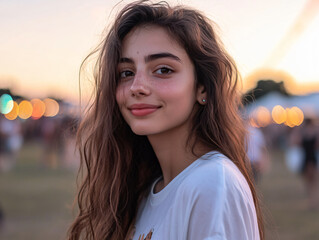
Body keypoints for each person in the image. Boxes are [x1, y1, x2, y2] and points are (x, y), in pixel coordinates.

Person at [67, 1, 264, 239]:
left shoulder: (212, 184)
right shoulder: (145, 193)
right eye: (126, 73)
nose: (137, 87)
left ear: (202, 87)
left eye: (163, 70)